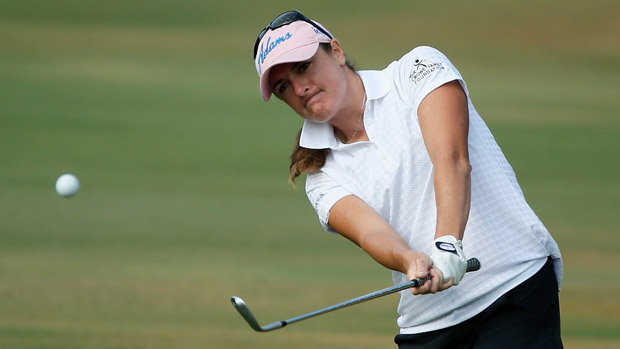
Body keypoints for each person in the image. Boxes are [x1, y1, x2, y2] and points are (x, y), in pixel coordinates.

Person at [252, 10, 563, 348]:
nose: (300, 88)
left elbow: (452, 159)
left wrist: (447, 244)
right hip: (428, 322)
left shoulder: (416, 71)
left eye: (303, 66)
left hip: (512, 286)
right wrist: (409, 260)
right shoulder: (321, 175)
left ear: (337, 51)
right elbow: (371, 232)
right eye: (284, 86)